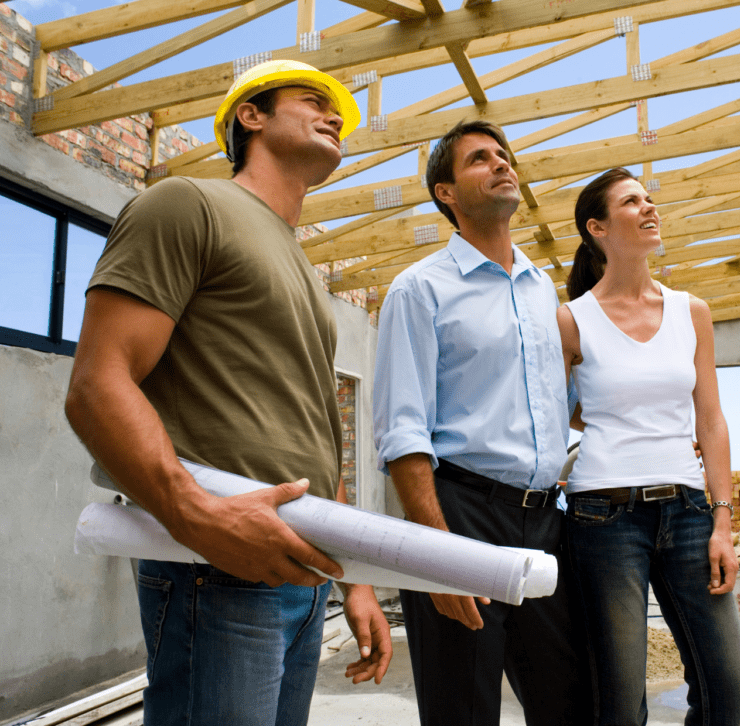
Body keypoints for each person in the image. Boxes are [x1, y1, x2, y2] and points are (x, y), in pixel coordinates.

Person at [64, 60, 392, 725]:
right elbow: (97, 385)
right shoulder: (188, 203)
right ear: (251, 115)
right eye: (313, 101)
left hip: (301, 573)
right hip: (213, 563)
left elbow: (308, 430)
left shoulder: (301, 265)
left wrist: (352, 573)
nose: (335, 116)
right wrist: (197, 517)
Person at [373, 120, 592, 726]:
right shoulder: (419, 290)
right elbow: (402, 434)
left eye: (504, 156)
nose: (501, 165)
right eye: (479, 159)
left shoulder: (540, 289)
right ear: (446, 192)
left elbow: (562, 403)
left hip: (547, 520)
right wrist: (438, 556)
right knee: (462, 709)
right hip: (462, 513)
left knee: (571, 702)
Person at [557, 167, 740, 726]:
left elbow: (710, 420)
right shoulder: (572, 320)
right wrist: (609, 417)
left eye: (650, 198)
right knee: (618, 703)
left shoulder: (692, 312)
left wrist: (723, 523)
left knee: (727, 695)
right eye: (632, 201)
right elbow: (560, 410)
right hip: (602, 516)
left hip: (689, 512)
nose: (649, 207)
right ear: (597, 227)